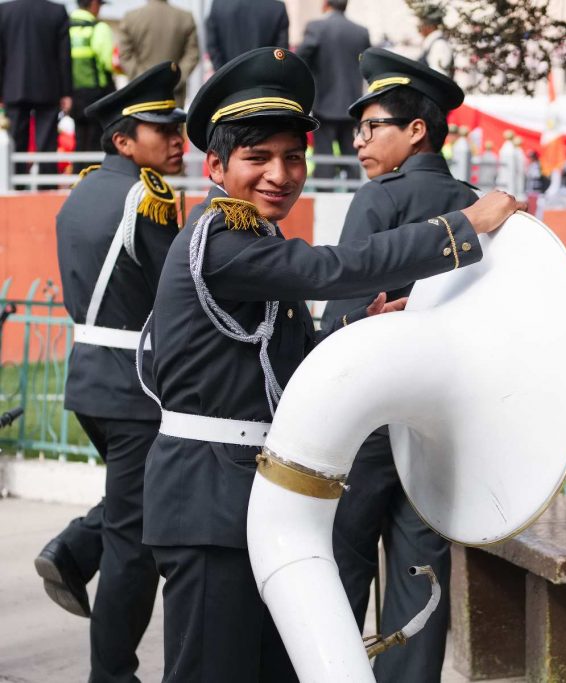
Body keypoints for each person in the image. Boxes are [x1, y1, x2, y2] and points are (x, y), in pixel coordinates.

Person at [141, 46, 517, 681]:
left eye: (293, 157)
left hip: (252, 499)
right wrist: (462, 227)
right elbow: (333, 267)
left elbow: (279, 368)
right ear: (214, 165)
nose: (280, 175)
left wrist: (359, 334)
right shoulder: (220, 240)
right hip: (207, 502)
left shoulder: (254, 239)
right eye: (257, 159)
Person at [318, 47, 479, 682]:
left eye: (373, 126)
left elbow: (343, 321)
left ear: (417, 130)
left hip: (370, 426)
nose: (359, 140)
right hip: (440, 423)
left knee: (341, 571)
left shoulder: (378, 198)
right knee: (422, 582)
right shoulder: (474, 202)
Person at [37, 61, 185, 683]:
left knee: (132, 509)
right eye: (163, 130)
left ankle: (72, 548)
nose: (178, 139)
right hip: (136, 387)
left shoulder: (84, 190)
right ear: (124, 140)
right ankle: (113, 676)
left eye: (178, 127)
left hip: (93, 381)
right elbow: (174, 296)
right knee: (135, 548)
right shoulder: (145, 199)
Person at [297, 0, 371, 182]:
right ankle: (353, 194)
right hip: (352, 104)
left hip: (324, 103)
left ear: (325, 4)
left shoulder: (316, 27)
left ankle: (324, 199)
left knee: (324, 160)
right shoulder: (360, 32)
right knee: (352, 156)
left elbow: (300, 59)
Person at [0, 0, 72, 181]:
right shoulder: (57, 11)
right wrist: (66, 92)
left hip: (13, 86)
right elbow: (64, 56)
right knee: (47, 143)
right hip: (48, 87)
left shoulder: (4, 10)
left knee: (16, 141)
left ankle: (16, 186)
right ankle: (46, 186)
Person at [118, 0, 199, 107]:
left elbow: (125, 55)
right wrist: (176, 79)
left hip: (141, 96)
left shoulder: (130, 18)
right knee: (173, 123)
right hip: (173, 96)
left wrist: (143, 81)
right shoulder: (185, 18)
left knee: (142, 124)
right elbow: (192, 55)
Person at [69, 0, 115, 164]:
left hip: (73, 93)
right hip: (97, 93)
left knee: (79, 139)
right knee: (96, 139)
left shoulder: (66, 27)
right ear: (94, 4)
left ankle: (78, 176)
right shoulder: (99, 28)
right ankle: (93, 177)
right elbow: (107, 62)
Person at [206, 0, 289, 70]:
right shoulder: (277, 8)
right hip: (263, 82)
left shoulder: (219, 4)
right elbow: (280, 53)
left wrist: (222, 73)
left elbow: (212, 46)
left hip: (227, 80)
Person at [415, 4, 453, 77]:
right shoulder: (433, 44)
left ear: (430, 27)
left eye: (421, 25)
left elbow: (438, 78)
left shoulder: (439, 45)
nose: (419, 30)